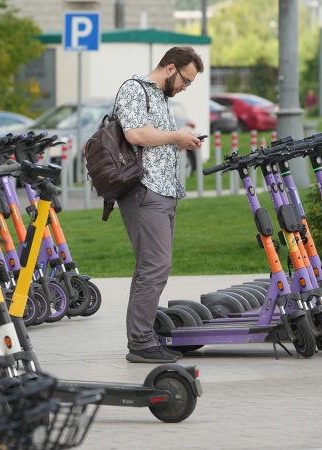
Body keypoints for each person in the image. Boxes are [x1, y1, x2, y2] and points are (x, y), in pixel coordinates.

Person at [113, 46, 204, 363]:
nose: (185, 87)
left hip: (162, 191)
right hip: (144, 191)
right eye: (186, 80)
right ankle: (140, 342)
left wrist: (178, 142)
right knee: (154, 267)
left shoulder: (160, 97)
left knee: (150, 268)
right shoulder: (134, 89)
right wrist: (174, 137)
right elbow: (136, 134)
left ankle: (142, 338)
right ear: (170, 68)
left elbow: (154, 140)